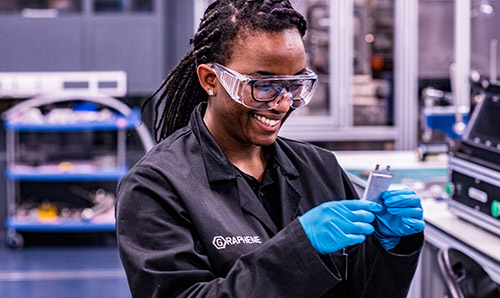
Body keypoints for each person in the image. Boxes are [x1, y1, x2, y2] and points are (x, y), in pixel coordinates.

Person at [115, 1, 425, 297]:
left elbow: (364, 291)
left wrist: (390, 248)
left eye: (294, 84)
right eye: (263, 85)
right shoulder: (155, 186)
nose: (283, 104)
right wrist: (300, 249)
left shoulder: (320, 168)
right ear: (211, 80)